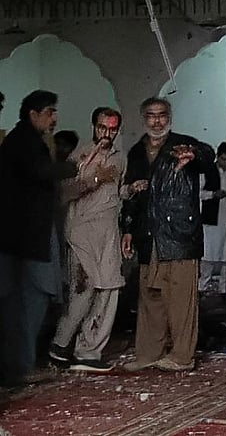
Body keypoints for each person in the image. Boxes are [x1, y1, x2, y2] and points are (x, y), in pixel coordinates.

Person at [120, 97, 215, 372]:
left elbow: (207, 156)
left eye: (161, 115)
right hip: (149, 233)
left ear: (169, 117)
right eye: (151, 116)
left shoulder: (182, 145)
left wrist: (193, 154)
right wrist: (128, 230)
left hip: (179, 234)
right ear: (144, 119)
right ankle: (148, 354)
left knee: (181, 298)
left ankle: (182, 356)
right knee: (150, 297)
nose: (156, 121)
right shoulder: (137, 152)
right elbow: (132, 194)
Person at [0, 90, 77, 386]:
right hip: (26, 238)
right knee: (30, 300)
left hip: (25, 237)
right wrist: (75, 166)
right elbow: (40, 172)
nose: (54, 118)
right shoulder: (23, 142)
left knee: (27, 300)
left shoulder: (26, 140)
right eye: (49, 112)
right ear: (33, 114)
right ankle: (21, 366)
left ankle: (20, 365)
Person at [49, 108, 127, 372]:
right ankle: (60, 344)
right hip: (82, 234)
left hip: (108, 233)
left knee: (109, 289)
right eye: (102, 127)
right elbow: (65, 191)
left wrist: (132, 188)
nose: (107, 133)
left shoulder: (120, 157)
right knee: (83, 291)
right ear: (93, 127)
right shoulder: (80, 155)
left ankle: (88, 351)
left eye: (112, 129)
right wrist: (94, 178)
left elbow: (118, 191)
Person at [198, 142, 226, 294]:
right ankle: (203, 286)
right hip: (211, 221)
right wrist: (213, 194)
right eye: (223, 159)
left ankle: (223, 289)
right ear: (218, 157)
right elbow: (198, 193)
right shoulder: (207, 171)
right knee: (208, 255)